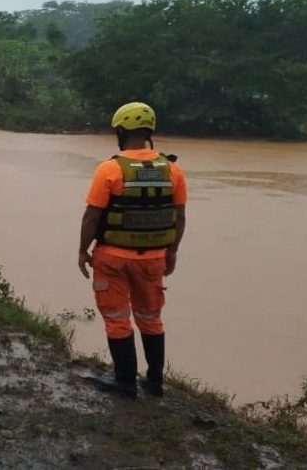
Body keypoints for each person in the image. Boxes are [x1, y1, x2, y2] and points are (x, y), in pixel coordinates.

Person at [78, 102, 187, 399]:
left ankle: (125, 381)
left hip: (112, 258)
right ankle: (154, 382)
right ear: (149, 131)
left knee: (116, 318)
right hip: (154, 259)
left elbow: (92, 216)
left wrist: (81, 250)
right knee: (151, 318)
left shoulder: (110, 169)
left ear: (121, 130)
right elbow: (179, 216)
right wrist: (173, 252)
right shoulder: (173, 170)